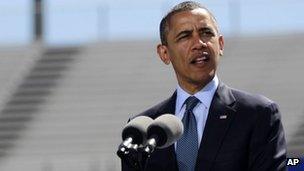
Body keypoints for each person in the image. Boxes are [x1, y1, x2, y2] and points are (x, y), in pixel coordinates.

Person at [121, 1, 287, 171]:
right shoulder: (143, 129)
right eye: (185, 36)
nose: (199, 43)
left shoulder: (258, 114)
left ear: (220, 44)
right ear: (164, 53)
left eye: (206, 33)